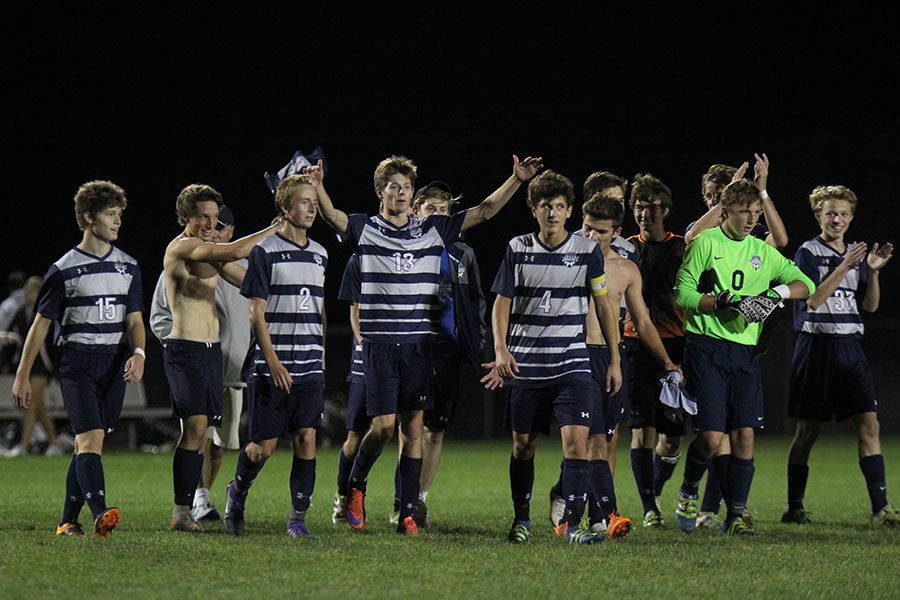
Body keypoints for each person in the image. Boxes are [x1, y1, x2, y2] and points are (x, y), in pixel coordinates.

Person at [307, 153, 541, 535]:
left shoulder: (433, 230)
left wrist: (516, 180)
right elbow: (332, 216)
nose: (401, 193)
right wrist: (317, 186)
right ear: (380, 191)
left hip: (419, 347)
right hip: (380, 346)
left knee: (414, 430)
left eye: (406, 187)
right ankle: (357, 485)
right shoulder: (365, 228)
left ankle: (409, 511)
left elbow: (484, 211)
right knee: (382, 428)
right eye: (394, 187)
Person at [671, 178, 814, 535]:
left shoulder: (761, 251)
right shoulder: (705, 243)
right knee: (711, 437)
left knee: (746, 435)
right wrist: (719, 302)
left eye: (756, 212)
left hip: (745, 352)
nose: (751, 219)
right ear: (724, 212)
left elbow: (805, 285)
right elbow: (682, 294)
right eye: (743, 211)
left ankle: (736, 515)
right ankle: (689, 488)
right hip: (706, 347)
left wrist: (774, 295)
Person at [491, 170, 622, 545]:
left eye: (560, 206)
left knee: (577, 445)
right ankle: (521, 520)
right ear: (534, 209)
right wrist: (500, 349)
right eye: (546, 206)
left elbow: (602, 305)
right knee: (523, 446)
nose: (552, 213)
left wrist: (614, 360)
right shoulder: (518, 248)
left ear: (569, 211)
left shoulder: (586, 252)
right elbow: (502, 303)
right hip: (527, 367)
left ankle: (570, 526)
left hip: (572, 365)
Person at [12, 180, 145, 537]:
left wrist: (140, 353)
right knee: (90, 438)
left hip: (115, 364)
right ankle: (101, 511)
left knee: (89, 443)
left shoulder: (128, 266)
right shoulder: (65, 269)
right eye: (110, 214)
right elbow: (40, 326)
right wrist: (23, 374)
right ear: (89, 218)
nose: (118, 221)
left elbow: (134, 320)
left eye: (120, 214)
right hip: (77, 364)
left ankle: (67, 521)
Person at [547, 193, 681, 538]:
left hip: (609, 356)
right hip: (573, 355)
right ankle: (592, 517)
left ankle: (588, 513)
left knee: (606, 441)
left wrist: (666, 361)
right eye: (587, 229)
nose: (591, 237)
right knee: (589, 441)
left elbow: (644, 321)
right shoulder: (565, 261)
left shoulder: (625, 269)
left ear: (617, 233)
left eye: (601, 232)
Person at [162, 184, 280, 531]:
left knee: (206, 436)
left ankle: (188, 508)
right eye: (204, 217)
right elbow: (237, 250)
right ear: (186, 218)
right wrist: (276, 227)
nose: (211, 224)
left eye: (215, 218)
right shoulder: (182, 246)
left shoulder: (210, 252)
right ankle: (182, 513)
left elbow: (245, 278)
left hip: (212, 353)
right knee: (196, 428)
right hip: (185, 349)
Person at [783, 185, 897, 526]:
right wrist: (844, 264)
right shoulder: (807, 252)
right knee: (807, 431)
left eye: (844, 214)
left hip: (849, 347)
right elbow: (813, 300)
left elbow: (871, 305)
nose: (837, 219)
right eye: (830, 213)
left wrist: (873, 272)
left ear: (851, 218)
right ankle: (795, 506)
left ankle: (881, 508)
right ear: (818, 215)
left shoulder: (855, 255)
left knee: (870, 425)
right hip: (815, 347)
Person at [220, 174, 326, 538]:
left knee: (306, 439)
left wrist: (321, 352)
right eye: (304, 202)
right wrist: (274, 360)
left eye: (314, 202)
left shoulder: (320, 253)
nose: (312, 208)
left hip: (310, 365)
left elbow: (319, 310)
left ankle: (297, 519)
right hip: (271, 368)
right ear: (284, 208)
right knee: (262, 448)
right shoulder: (265, 251)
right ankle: (236, 496)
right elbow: (255, 312)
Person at [686, 156, 788, 527]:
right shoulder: (704, 235)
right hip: (709, 341)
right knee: (717, 437)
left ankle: (726, 511)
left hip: (745, 344)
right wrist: (726, 202)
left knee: (738, 433)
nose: (716, 201)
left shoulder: (752, 237)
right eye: (712, 196)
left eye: (722, 194)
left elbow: (780, 240)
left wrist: (761, 189)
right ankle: (706, 507)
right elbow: (692, 238)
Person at [384, 182, 487, 527]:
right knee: (408, 423)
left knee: (435, 428)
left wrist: (475, 339)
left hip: (447, 352)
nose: (439, 217)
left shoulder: (462, 252)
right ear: (416, 210)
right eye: (431, 209)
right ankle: (404, 499)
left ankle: (419, 501)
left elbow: (475, 299)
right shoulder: (406, 245)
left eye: (444, 211)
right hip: (412, 346)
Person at [149, 205, 251, 522]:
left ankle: (202, 494)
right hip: (197, 362)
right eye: (209, 224)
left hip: (233, 370)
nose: (214, 231)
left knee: (220, 443)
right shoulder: (185, 260)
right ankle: (195, 499)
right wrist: (182, 346)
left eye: (221, 226)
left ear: (231, 232)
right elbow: (158, 316)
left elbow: (259, 310)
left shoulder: (240, 267)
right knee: (198, 432)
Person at [622, 174, 687, 528]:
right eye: (639, 207)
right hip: (635, 346)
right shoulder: (626, 248)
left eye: (652, 208)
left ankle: (655, 491)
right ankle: (650, 508)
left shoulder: (682, 247)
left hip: (676, 347)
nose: (645, 214)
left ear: (666, 209)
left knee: (672, 439)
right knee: (642, 430)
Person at [331, 253, 371, 525]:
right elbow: (354, 311)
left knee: (404, 430)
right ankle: (343, 494)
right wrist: (365, 346)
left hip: (403, 356)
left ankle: (404, 508)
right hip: (367, 360)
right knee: (355, 435)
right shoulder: (360, 259)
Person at [6, 276, 65, 457]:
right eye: (26, 290)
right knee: (39, 406)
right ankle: (55, 443)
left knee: (31, 403)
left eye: (31, 291)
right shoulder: (21, 312)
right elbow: (12, 333)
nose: (27, 294)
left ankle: (23, 446)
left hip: (43, 365)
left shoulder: (45, 312)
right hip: (27, 365)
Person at [684, 155, 788, 248]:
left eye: (720, 195)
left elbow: (780, 241)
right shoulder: (698, 227)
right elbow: (692, 238)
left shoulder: (752, 229)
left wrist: (762, 191)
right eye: (709, 196)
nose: (713, 201)